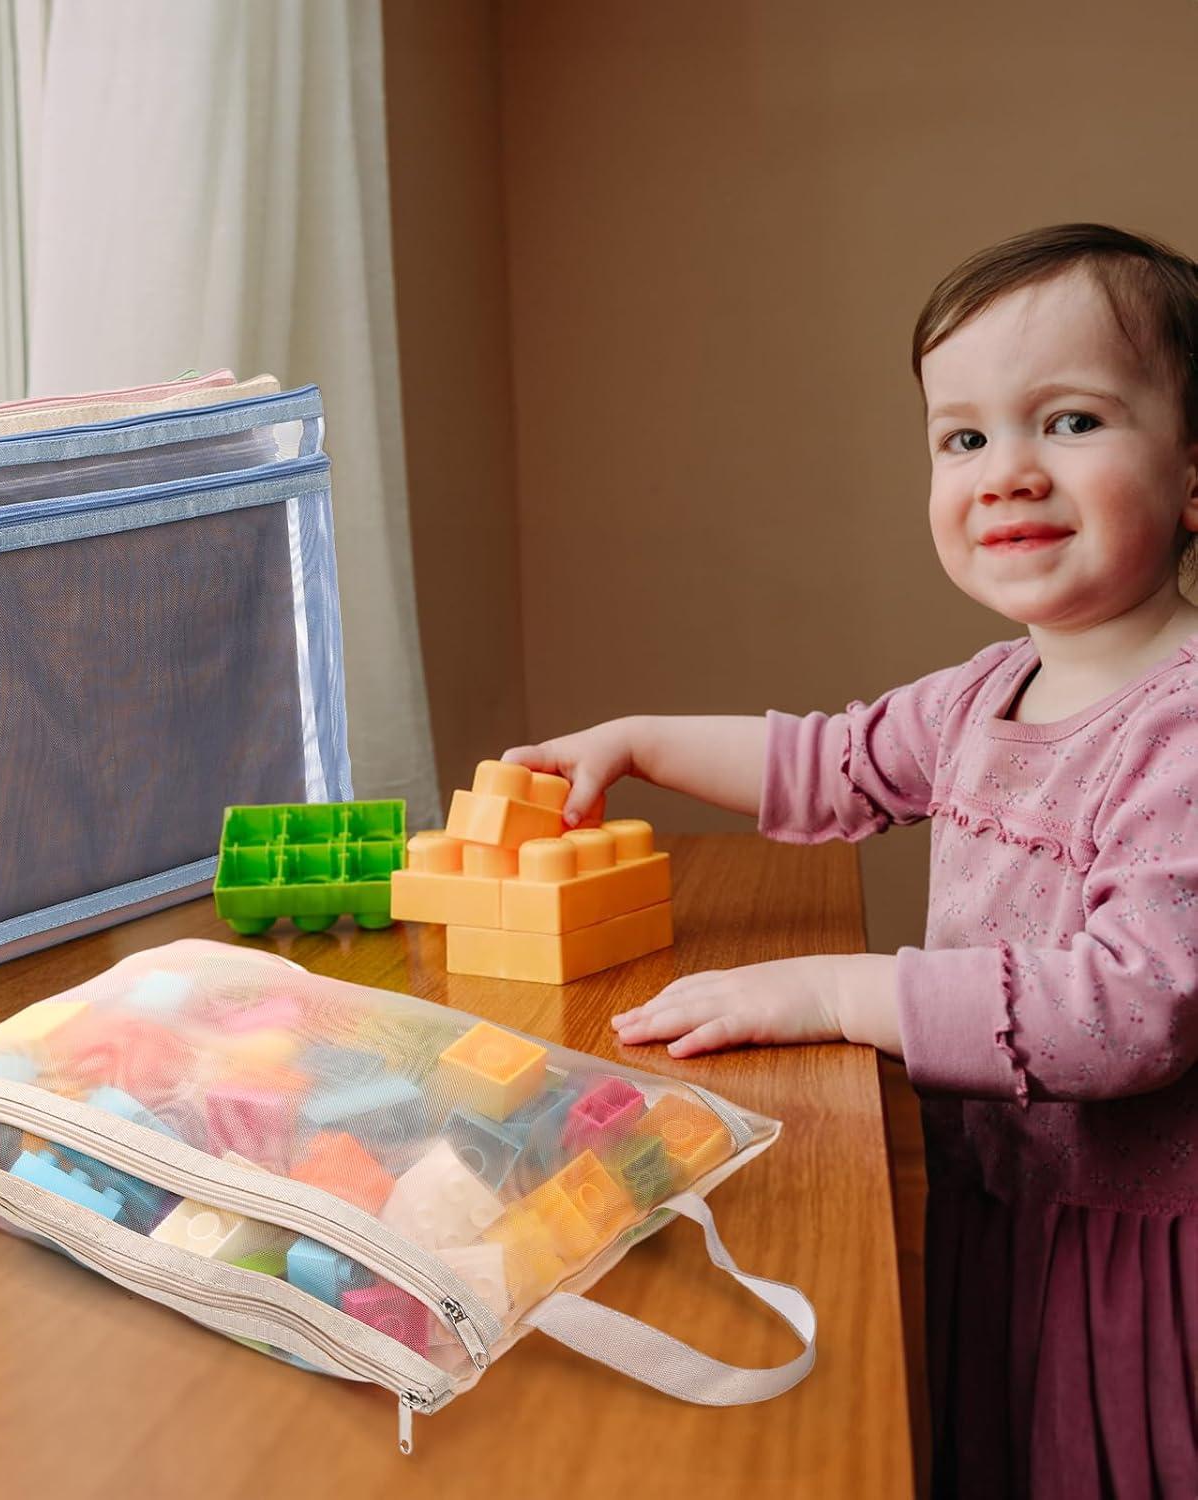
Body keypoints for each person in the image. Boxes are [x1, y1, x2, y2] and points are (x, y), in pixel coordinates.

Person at [504, 223, 1198, 1498]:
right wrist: (640, 740)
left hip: (1137, 1256)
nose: (1008, 474)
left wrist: (835, 996)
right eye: (966, 438)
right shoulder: (989, 692)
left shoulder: (1184, 726)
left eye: (1074, 422)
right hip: (999, 1196)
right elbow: (831, 764)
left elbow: (1131, 1009)